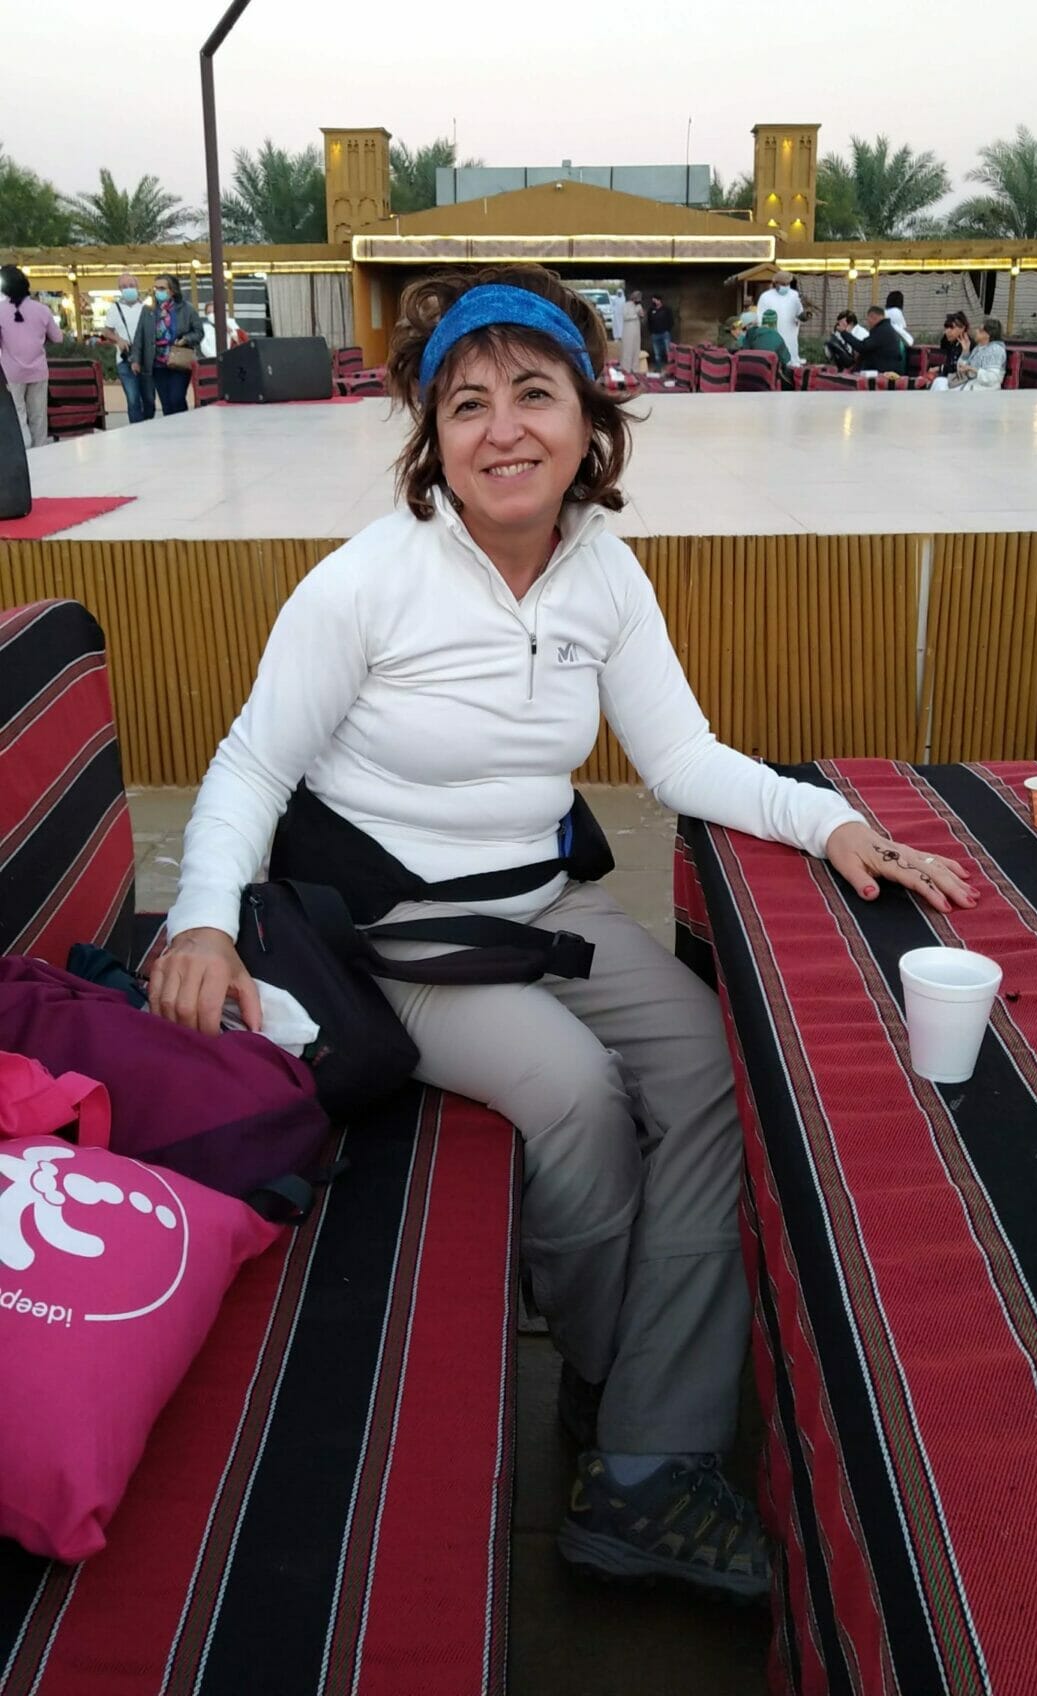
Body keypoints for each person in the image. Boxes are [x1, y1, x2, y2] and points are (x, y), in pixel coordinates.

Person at [147, 263, 975, 1600]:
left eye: (532, 393)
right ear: (432, 438)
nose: (502, 430)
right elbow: (251, 764)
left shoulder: (603, 574)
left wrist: (825, 823)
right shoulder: (366, 584)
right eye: (466, 404)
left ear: (589, 419)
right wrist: (201, 925)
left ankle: (641, 1438)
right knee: (580, 1095)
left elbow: (680, 757)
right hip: (401, 941)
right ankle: (615, 1399)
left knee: (713, 1068)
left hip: (546, 903)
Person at [0, 265, 63, 449]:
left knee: (18, 414)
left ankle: (23, 450)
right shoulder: (42, 310)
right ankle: (40, 451)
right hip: (38, 371)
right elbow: (58, 338)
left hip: (11, 373)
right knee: (38, 415)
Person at [133, 274, 202, 415]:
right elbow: (139, 336)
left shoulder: (187, 309)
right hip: (157, 364)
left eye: (162, 288)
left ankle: (183, 425)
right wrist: (135, 360)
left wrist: (186, 339)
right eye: (156, 288)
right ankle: (171, 427)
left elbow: (198, 332)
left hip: (179, 361)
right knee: (166, 403)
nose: (158, 291)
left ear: (172, 290)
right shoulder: (148, 310)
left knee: (177, 398)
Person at [103, 274, 153, 424]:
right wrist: (118, 340)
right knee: (133, 399)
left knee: (149, 398)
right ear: (119, 289)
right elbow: (106, 331)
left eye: (131, 285)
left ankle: (148, 425)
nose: (128, 289)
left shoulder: (146, 308)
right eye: (124, 286)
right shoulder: (114, 309)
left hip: (146, 359)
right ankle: (136, 430)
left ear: (137, 287)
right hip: (125, 359)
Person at [932, 317, 1007, 392]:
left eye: (980, 330)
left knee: (940, 386)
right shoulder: (979, 348)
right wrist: (965, 351)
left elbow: (993, 378)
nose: (976, 331)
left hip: (982, 390)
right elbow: (961, 369)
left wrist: (973, 369)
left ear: (988, 334)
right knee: (939, 382)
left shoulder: (995, 350)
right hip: (969, 385)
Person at [754, 270, 805, 366]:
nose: (785, 286)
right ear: (775, 283)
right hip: (772, 339)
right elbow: (760, 319)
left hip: (790, 338)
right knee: (773, 365)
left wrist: (805, 315)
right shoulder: (766, 297)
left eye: (787, 284)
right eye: (783, 284)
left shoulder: (794, 295)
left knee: (790, 364)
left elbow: (800, 314)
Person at [851, 305, 907, 376]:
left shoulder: (882, 331)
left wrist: (844, 333)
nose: (868, 323)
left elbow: (862, 346)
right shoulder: (884, 329)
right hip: (884, 369)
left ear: (873, 317)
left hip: (886, 373)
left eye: (868, 320)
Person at [744, 307, 792, 381]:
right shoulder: (777, 337)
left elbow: (744, 350)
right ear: (775, 323)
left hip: (748, 373)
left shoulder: (751, 333)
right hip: (768, 376)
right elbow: (786, 359)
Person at [929, 311, 969, 382]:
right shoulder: (946, 340)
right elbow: (944, 360)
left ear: (962, 328)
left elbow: (958, 368)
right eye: (946, 328)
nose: (947, 331)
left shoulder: (969, 345)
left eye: (952, 328)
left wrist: (939, 368)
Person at [618, 287, 644, 370]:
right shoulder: (626, 305)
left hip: (636, 330)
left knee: (636, 349)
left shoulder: (639, 306)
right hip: (628, 330)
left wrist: (641, 314)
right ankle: (626, 368)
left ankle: (635, 368)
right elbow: (625, 317)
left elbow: (642, 316)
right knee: (628, 349)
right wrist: (635, 314)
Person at [646, 295, 675, 369]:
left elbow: (671, 321)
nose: (653, 302)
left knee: (668, 351)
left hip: (665, 333)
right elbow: (649, 322)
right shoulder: (651, 310)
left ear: (659, 300)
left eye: (655, 300)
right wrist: (651, 331)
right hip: (655, 334)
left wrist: (667, 329)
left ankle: (670, 368)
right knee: (657, 353)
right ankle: (658, 367)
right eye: (653, 301)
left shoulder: (666, 309)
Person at [610, 284, 626, 351]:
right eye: (618, 293)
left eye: (620, 293)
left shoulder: (624, 299)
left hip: (622, 315)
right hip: (616, 315)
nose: (619, 294)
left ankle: (622, 337)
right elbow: (612, 306)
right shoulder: (615, 299)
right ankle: (616, 337)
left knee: (622, 326)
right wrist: (613, 310)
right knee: (616, 326)